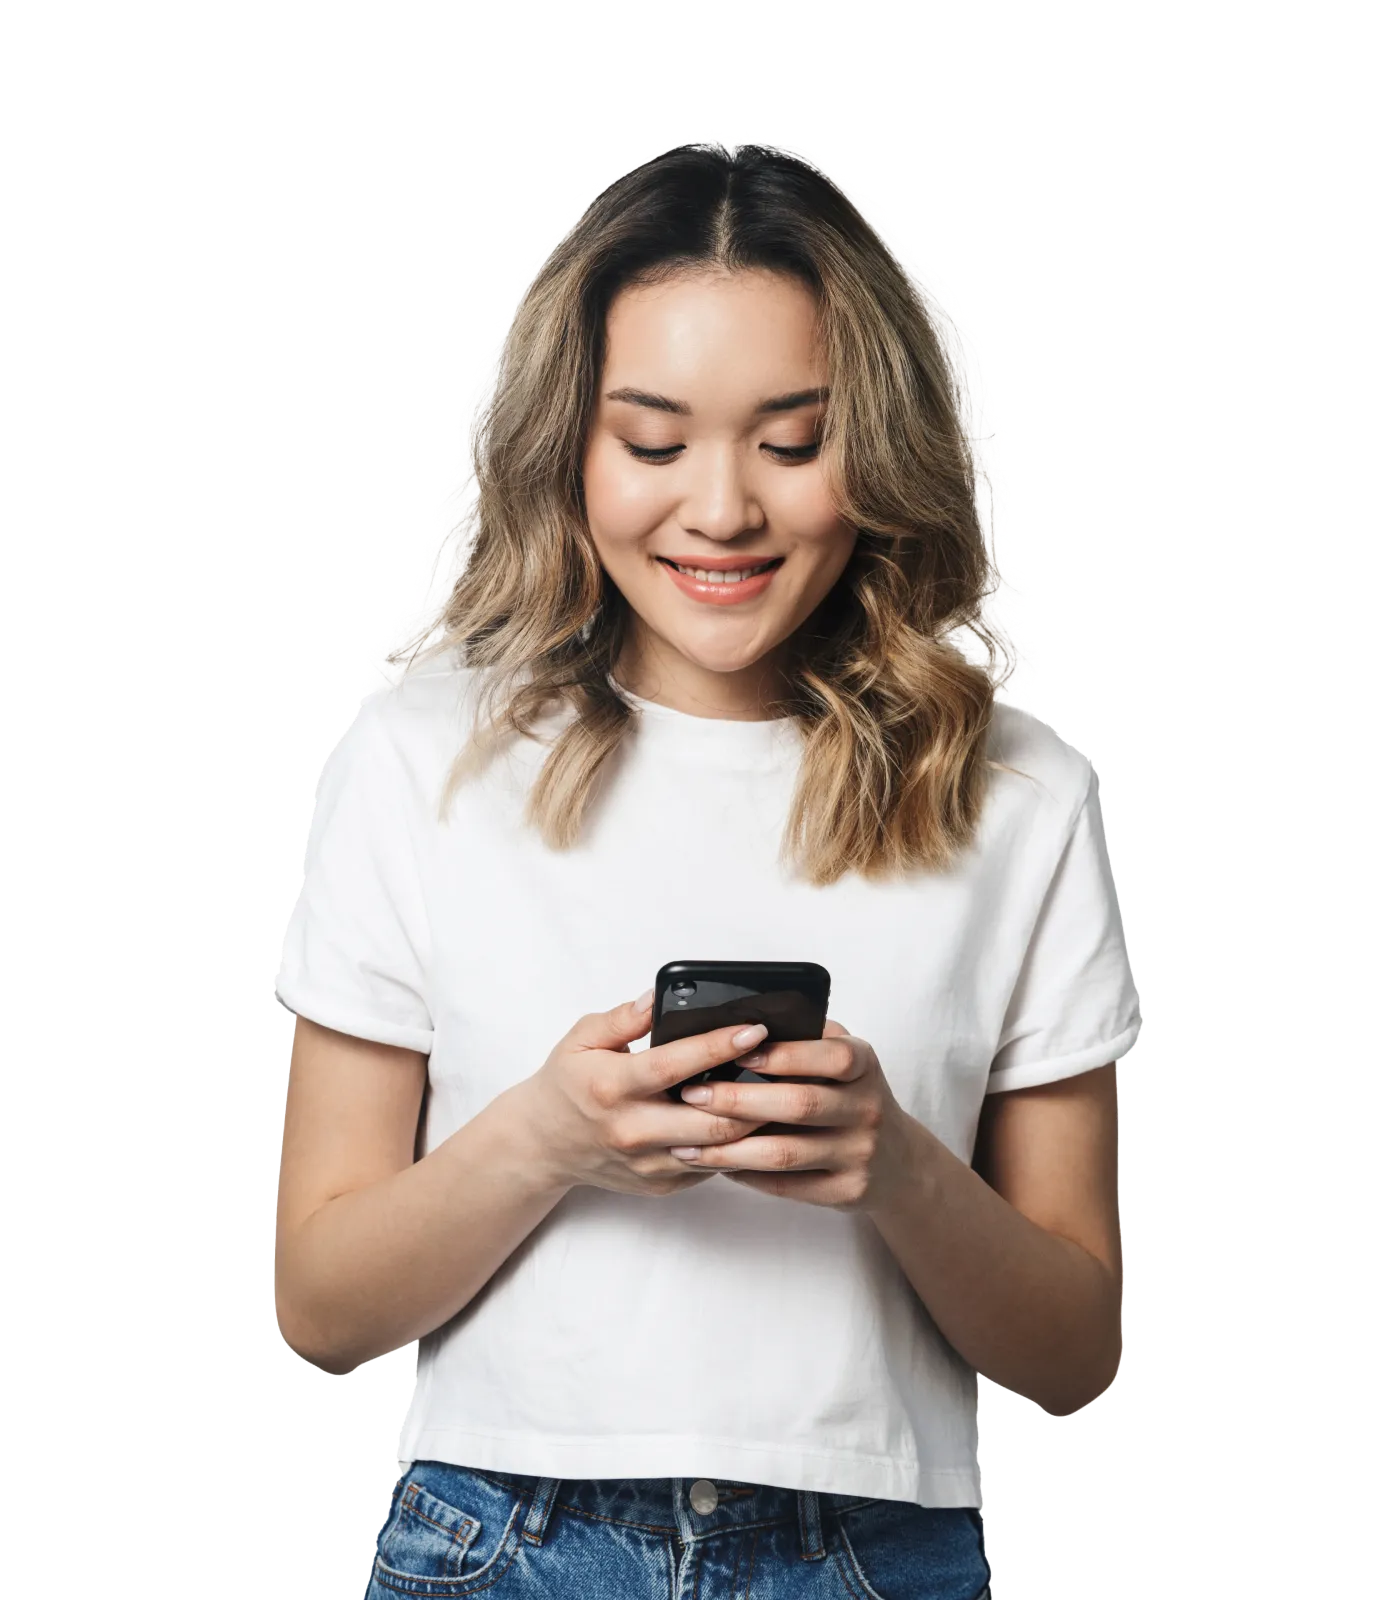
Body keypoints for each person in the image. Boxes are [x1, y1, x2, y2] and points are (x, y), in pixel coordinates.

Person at [273, 138, 1140, 1600]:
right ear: (573, 450)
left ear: (877, 448)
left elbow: (1073, 1356)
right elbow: (319, 1309)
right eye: (655, 442)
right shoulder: (423, 763)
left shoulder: (1021, 799)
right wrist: (547, 1134)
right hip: (503, 1542)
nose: (723, 510)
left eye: (792, 444)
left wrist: (897, 1171)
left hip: (875, 1551)